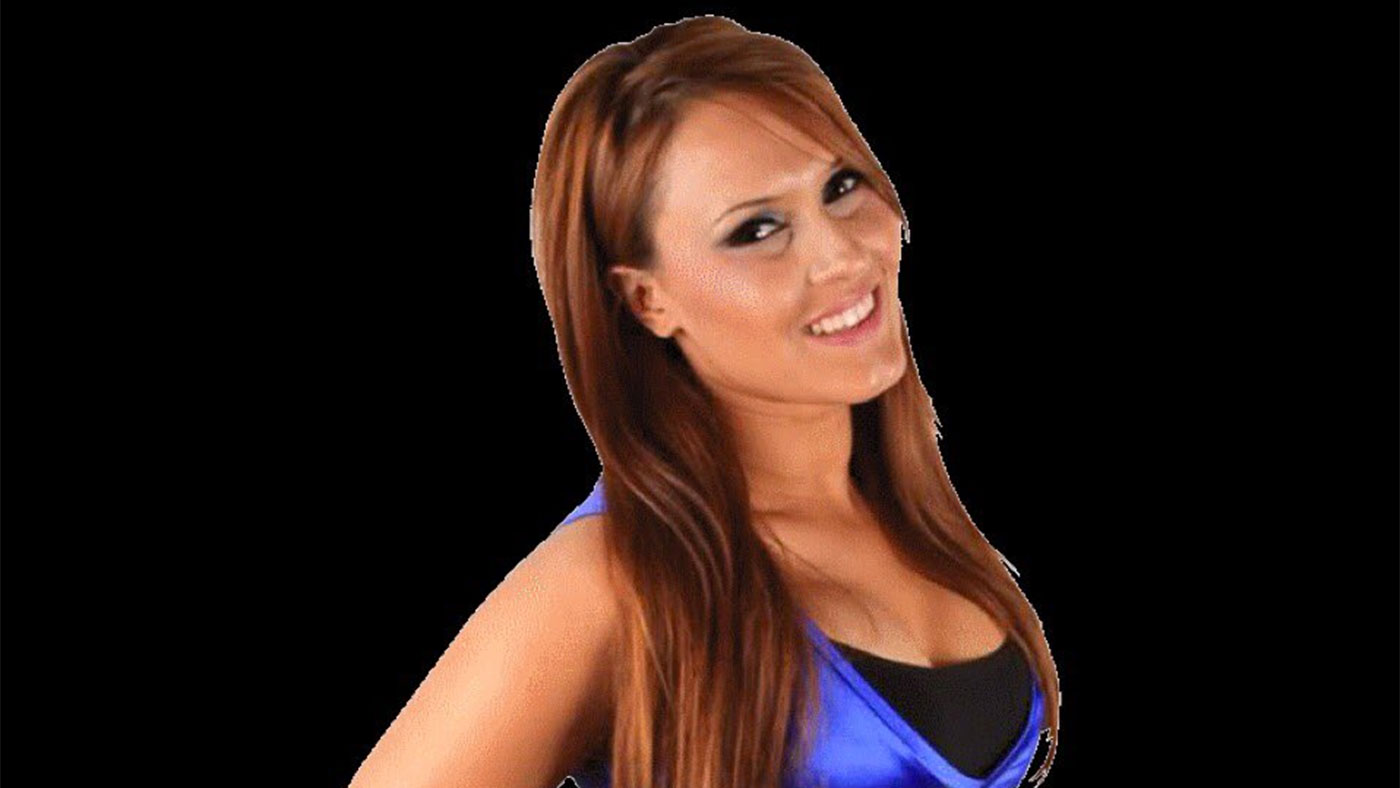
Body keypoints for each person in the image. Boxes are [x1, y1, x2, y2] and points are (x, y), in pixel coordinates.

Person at [351, 16, 1058, 788]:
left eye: (841, 186)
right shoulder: (608, 583)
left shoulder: (911, 510)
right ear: (646, 300)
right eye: (757, 230)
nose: (842, 254)